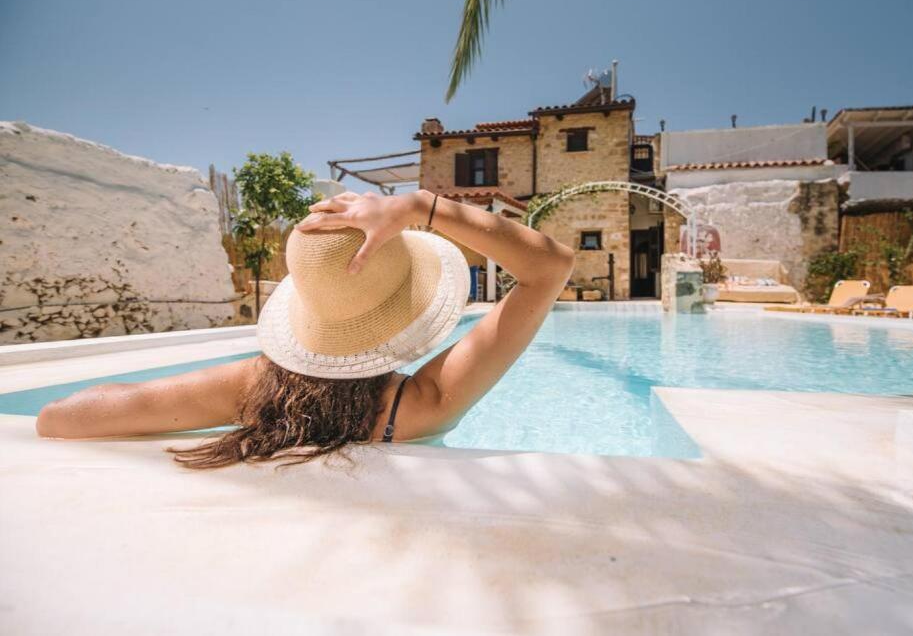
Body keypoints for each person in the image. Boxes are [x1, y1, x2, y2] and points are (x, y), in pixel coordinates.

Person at [35, 190, 575, 468]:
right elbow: (549, 268)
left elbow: (61, 417)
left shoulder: (249, 388)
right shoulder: (426, 403)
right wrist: (418, 206)